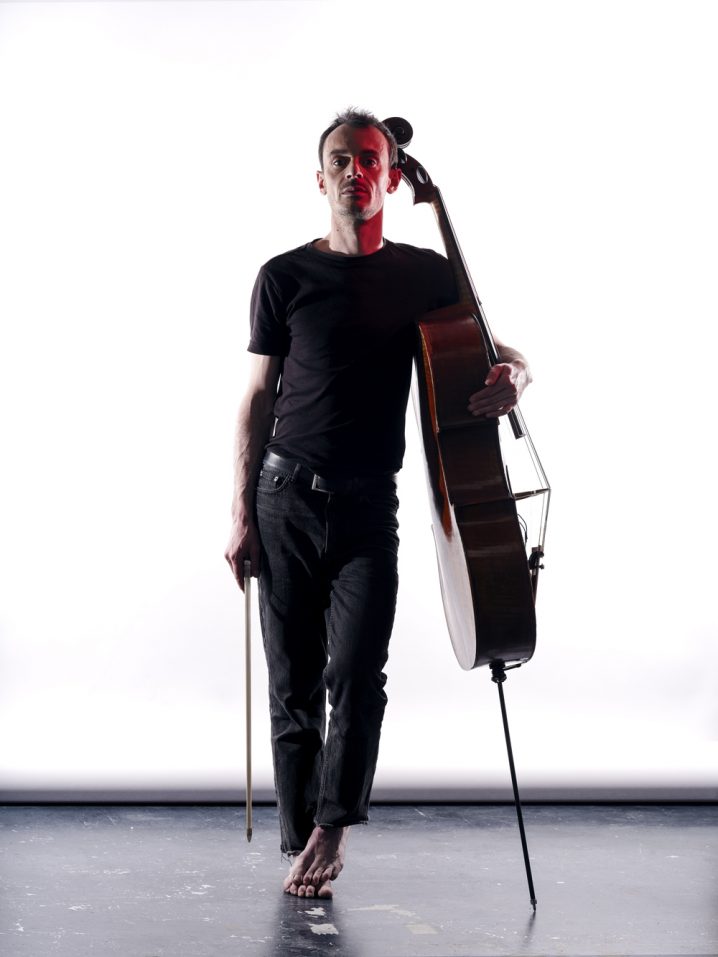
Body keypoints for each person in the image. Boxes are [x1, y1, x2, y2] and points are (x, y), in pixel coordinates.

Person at [224, 109, 531, 899]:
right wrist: (240, 513)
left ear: (392, 177)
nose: (353, 172)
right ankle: (299, 837)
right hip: (283, 496)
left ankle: (332, 825)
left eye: (368, 159)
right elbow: (257, 399)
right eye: (340, 160)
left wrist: (515, 377)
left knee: (358, 675)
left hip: (368, 506)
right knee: (292, 687)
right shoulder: (283, 276)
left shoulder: (425, 274)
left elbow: (499, 350)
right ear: (319, 177)